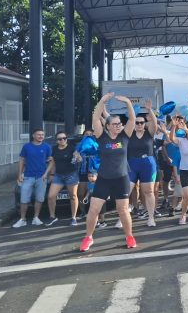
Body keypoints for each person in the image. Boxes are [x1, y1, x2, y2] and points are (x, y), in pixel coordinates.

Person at [80, 92, 137, 252]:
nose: (119, 125)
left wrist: (128, 102)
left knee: (123, 210)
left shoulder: (124, 137)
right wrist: (102, 101)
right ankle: (88, 237)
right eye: (115, 124)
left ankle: (129, 237)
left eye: (119, 123)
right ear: (108, 126)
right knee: (93, 210)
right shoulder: (102, 137)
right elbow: (95, 118)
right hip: (104, 179)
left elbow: (132, 120)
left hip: (121, 179)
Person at [127, 100, 159, 227]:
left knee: (149, 191)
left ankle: (151, 218)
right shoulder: (129, 134)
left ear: (144, 124)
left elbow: (154, 124)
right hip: (132, 164)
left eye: (141, 122)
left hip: (148, 164)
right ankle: (122, 217)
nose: (139, 124)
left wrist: (150, 110)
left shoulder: (149, 133)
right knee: (126, 192)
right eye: (137, 122)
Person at [12, 128, 52, 228]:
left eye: (42, 134)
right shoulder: (26, 146)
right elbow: (22, 160)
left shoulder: (47, 147)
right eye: (38, 134)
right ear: (33, 136)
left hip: (41, 177)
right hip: (28, 176)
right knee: (24, 198)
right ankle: (22, 219)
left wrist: (46, 174)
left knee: (40, 198)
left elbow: (51, 161)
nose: (41, 136)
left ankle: (36, 218)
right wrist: (19, 174)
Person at [44, 131, 80, 226]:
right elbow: (52, 162)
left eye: (64, 138)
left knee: (73, 196)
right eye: (60, 139)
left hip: (71, 175)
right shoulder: (54, 149)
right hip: (58, 175)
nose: (63, 140)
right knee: (51, 196)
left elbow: (79, 159)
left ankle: (73, 218)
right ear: (57, 141)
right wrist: (47, 173)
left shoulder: (72, 148)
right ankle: (52, 217)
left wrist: (77, 157)